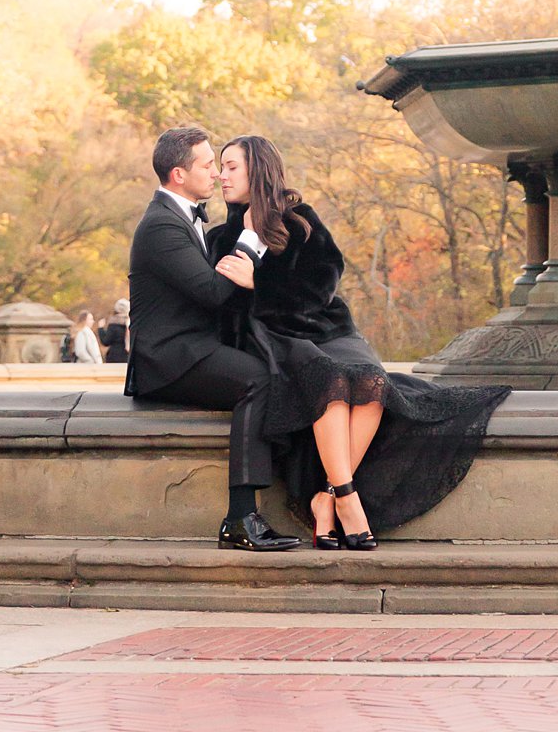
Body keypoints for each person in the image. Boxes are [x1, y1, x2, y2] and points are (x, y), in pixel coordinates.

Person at [209, 134, 509, 549]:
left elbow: (323, 282)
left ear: (257, 170)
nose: (221, 176)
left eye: (231, 167)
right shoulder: (220, 239)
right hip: (275, 337)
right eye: (221, 167)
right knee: (329, 382)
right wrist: (251, 290)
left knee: (371, 381)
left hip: (327, 326)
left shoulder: (300, 219)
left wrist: (259, 282)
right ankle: (348, 500)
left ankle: (326, 496)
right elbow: (224, 309)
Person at [124, 124, 299, 552]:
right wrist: (252, 235)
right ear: (179, 175)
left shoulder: (185, 218)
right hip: (166, 359)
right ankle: (241, 517)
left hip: (192, 349)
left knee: (278, 371)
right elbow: (213, 292)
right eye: (207, 165)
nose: (217, 175)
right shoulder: (161, 227)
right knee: (258, 378)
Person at [99, 298, 130, 365]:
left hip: (114, 357)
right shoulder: (130, 324)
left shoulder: (114, 324)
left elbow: (106, 342)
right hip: (128, 356)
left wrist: (100, 329)